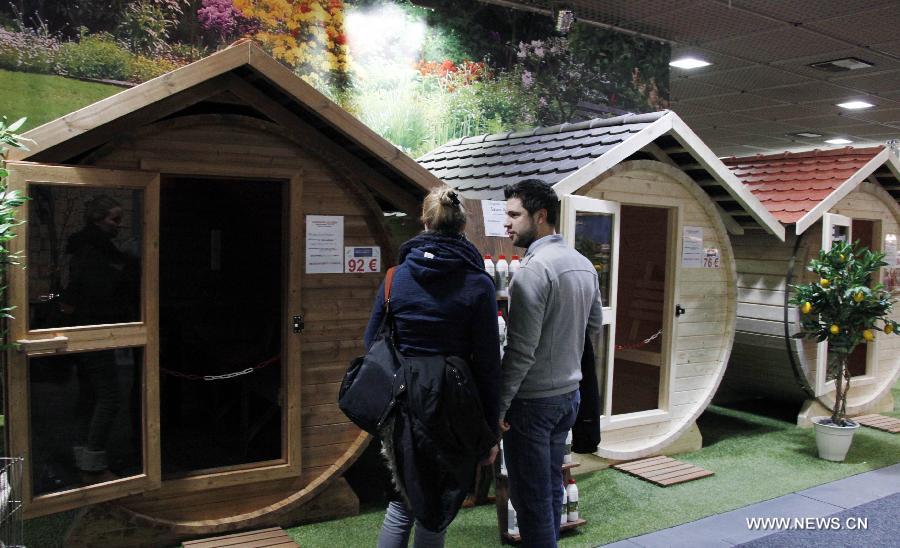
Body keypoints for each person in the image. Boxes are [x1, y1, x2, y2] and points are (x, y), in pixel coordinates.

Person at [364, 186, 501, 548]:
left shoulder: (396, 278)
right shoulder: (478, 284)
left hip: (403, 402)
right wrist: (489, 431)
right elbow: (488, 364)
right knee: (437, 504)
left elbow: (371, 344)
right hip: (454, 407)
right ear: (462, 227)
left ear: (423, 222)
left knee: (401, 500)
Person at [499, 179, 603, 547]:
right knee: (548, 488)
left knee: (532, 500)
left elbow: (521, 350)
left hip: (532, 403)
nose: (506, 224)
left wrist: (500, 405)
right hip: (567, 399)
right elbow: (593, 329)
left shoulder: (532, 270)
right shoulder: (583, 264)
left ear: (540, 216)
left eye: (514, 215)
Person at [62, 195, 140, 479]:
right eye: (114, 219)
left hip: (88, 328)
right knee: (108, 396)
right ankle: (93, 464)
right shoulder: (95, 250)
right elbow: (99, 290)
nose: (118, 226)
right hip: (95, 329)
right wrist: (128, 267)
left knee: (90, 395)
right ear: (98, 219)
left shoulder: (89, 246)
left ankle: (85, 457)